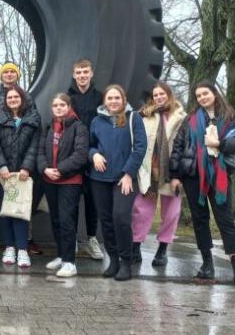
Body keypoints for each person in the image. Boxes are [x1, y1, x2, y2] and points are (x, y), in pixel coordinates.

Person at [169, 81, 235, 287]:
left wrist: (220, 144)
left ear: (214, 93)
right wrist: (175, 175)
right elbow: (178, 146)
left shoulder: (231, 117)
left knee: (225, 220)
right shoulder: (190, 120)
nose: (202, 98)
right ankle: (207, 264)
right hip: (193, 174)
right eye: (198, 95)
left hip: (220, 173)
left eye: (205, 93)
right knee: (199, 218)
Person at [88, 84, 147, 281]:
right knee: (105, 221)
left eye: (117, 98)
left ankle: (125, 261)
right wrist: (94, 154)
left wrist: (129, 173)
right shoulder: (97, 121)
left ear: (123, 99)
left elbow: (140, 147)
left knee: (121, 218)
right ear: (105, 101)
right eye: (110, 98)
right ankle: (113, 260)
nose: (113, 101)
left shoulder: (133, 118)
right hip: (99, 179)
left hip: (124, 179)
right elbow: (90, 145)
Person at [0, 61, 37, 255]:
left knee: (22, 199)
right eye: (6, 72)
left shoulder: (27, 97)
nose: (9, 74)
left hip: (21, 161)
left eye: (13, 71)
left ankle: (25, 240)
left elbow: (33, 122)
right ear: (1, 76)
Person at [130, 82, 186, 267]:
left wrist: (180, 173)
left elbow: (186, 145)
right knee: (141, 210)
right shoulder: (146, 116)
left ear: (169, 94)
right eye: (155, 95)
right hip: (149, 171)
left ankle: (162, 250)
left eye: (162, 93)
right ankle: (135, 246)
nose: (159, 97)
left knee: (171, 213)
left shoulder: (181, 117)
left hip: (173, 170)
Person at [37, 93, 89, 277]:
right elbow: (40, 151)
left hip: (70, 181)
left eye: (62, 105)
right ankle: (61, 255)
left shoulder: (79, 127)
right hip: (50, 180)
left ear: (69, 106)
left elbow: (81, 155)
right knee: (56, 220)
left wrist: (60, 169)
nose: (58, 108)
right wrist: (44, 169)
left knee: (67, 220)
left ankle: (69, 262)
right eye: (55, 105)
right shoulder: (49, 126)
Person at [0, 86, 41, 268]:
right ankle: (9, 247)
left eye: (16, 97)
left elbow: (35, 145)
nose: (12, 99)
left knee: (20, 211)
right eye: (9, 97)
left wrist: (26, 167)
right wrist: (1, 166)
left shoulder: (33, 118)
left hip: (22, 174)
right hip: (3, 174)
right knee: (5, 211)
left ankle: (22, 249)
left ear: (23, 99)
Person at [67, 59, 104, 261]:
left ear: (91, 74)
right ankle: (71, 239)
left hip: (94, 157)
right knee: (71, 201)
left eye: (85, 72)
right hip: (72, 157)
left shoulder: (100, 97)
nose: (82, 75)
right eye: (78, 72)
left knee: (93, 202)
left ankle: (91, 239)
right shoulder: (67, 97)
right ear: (74, 75)